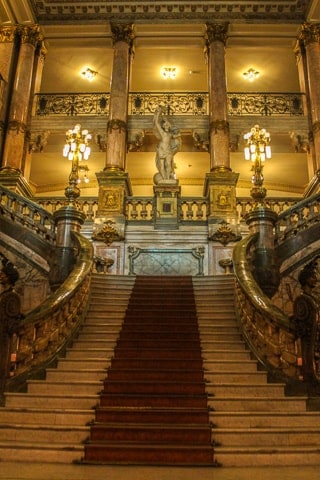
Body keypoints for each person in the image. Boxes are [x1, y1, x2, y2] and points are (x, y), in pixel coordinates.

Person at [0, 256, 21, 394]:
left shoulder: (12, 296)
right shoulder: (4, 294)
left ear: (9, 277)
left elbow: (12, 319)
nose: (1, 276)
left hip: (2, 336)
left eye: (3, 274)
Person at [153, 107, 181, 184]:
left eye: (167, 125)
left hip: (168, 150)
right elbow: (156, 123)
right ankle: (164, 178)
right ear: (163, 126)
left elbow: (176, 136)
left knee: (168, 164)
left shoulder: (170, 134)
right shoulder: (162, 132)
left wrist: (178, 134)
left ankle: (168, 178)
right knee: (161, 165)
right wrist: (158, 114)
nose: (166, 126)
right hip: (162, 149)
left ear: (169, 126)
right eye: (165, 125)